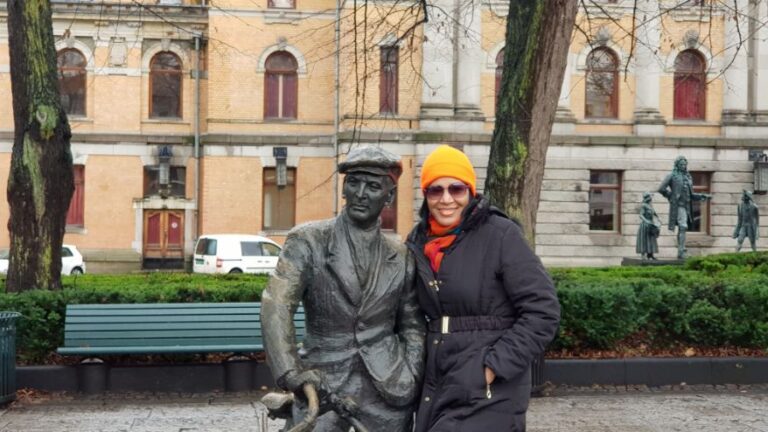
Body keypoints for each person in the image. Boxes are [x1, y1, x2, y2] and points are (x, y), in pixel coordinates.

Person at [260, 146, 426, 431]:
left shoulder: (402, 257)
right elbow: (276, 304)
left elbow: (412, 325)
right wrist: (291, 373)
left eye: (373, 186)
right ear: (344, 189)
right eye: (353, 183)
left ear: (389, 196)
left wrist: (410, 373)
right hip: (322, 385)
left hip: (389, 386)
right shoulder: (308, 241)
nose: (361, 193)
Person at [405, 145, 560, 432]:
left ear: (471, 192)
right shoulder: (416, 243)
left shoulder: (500, 235)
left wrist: (491, 368)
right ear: (425, 196)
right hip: (438, 381)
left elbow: (543, 312)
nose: (446, 199)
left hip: (489, 388)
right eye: (435, 190)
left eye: (456, 189)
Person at [657, 156, 712, 259]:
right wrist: (670, 196)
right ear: (677, 165)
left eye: (684, 164)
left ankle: (680, 251)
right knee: (683, 226)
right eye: (681, 164)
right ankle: (682, 251)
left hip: (687, 206)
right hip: (678, 206)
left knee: (683, 229)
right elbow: (661, 188)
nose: (683, 166)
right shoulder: (672, 176)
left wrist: (703, 196)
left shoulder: (688, 177)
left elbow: (691, 195)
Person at [636, 192, 661, 260]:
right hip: (645, 225)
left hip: (651, 224)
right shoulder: (643, 205)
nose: (651, 199)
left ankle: (650, 255)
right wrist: (646, 221)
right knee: (644, 240)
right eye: (650, 197)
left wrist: (658, 220)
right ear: (648, 198)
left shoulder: (650, 206)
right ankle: (643, 254)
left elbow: (654, 214)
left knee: (651, 240)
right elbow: (641, 215)